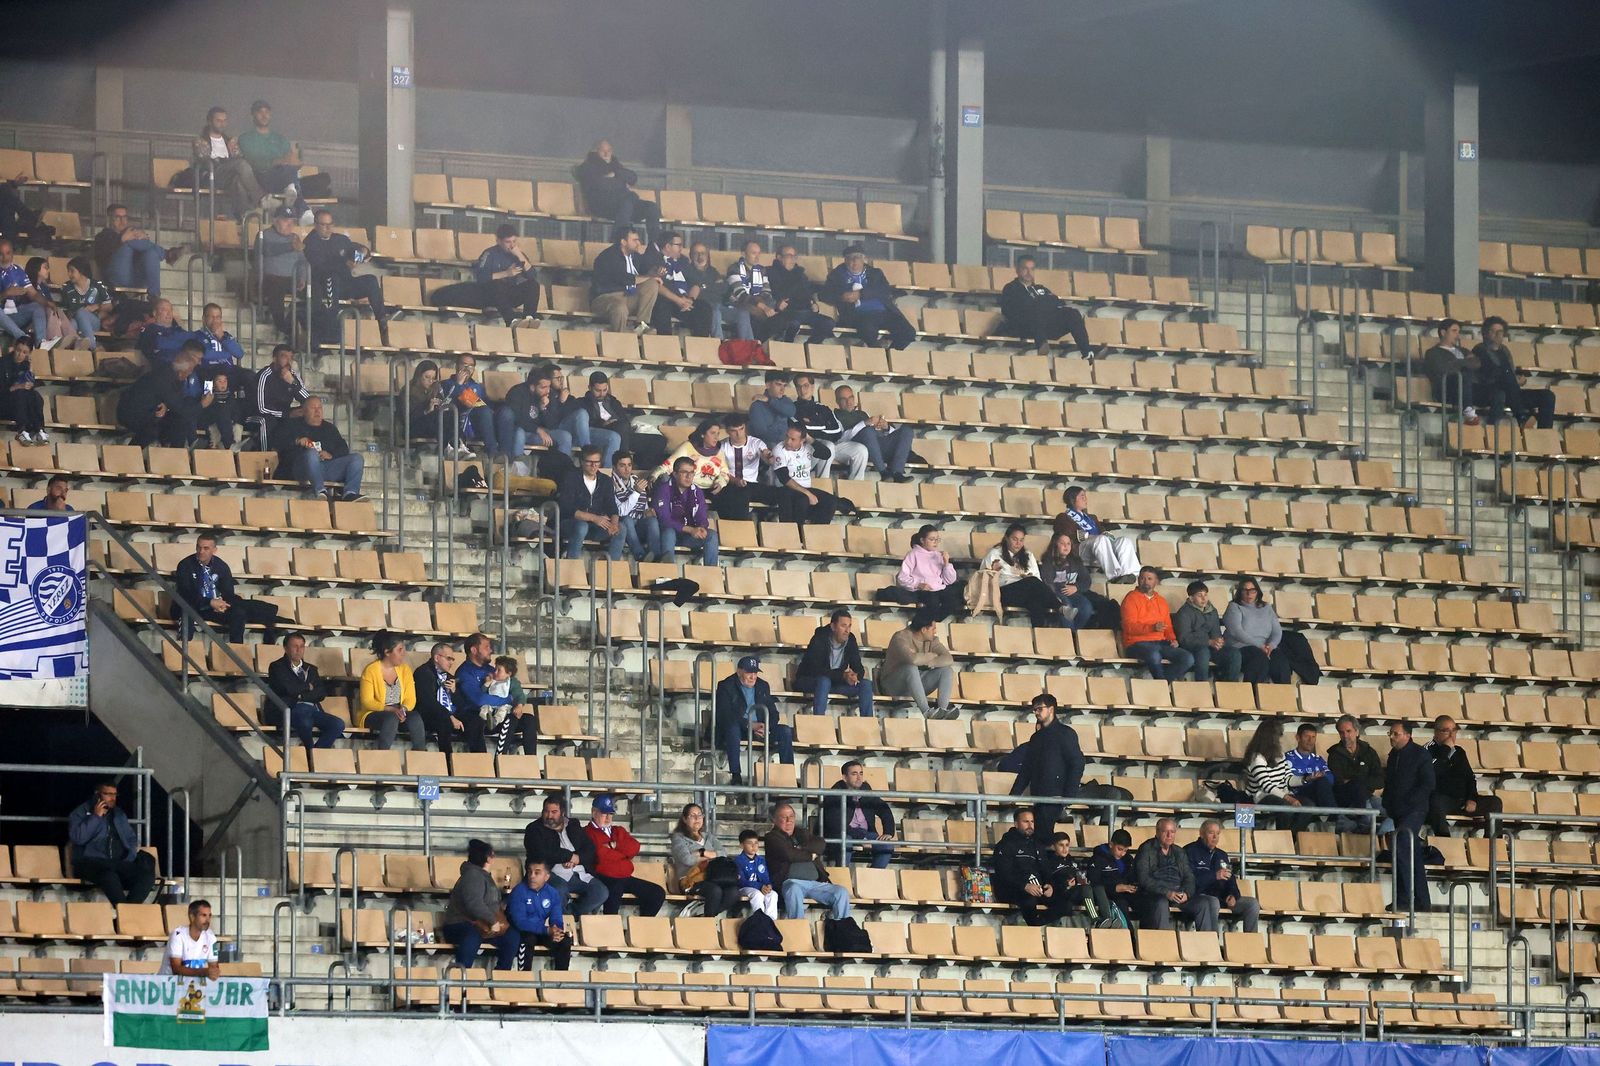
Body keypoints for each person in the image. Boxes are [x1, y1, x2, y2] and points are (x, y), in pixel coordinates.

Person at [172, 532, 279, 644]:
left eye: (206, 548)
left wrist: (222, 604)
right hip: (192, 605)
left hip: (213, 609)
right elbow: (186, 594)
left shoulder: (221, 566)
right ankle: (183, 650)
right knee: (187, 610)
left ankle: (236, 650)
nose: (201, 551)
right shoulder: (185, 565)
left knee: (238, 613)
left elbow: (228, 594)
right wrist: (210, 602)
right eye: (198, 547)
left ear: (214, 550)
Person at [303, 209, 389, 347]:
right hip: (324, 284)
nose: (328, 228)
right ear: (316, 225)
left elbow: (357, 250)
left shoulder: (340, 240)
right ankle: (331, 328)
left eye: (330, 224)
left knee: (371, 280)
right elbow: (319, 266)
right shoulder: (310, 243)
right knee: (332, 279)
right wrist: (344, 263)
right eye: (324, 225)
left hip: (346, 282)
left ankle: (382, 320)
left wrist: (361, 254)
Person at [69, 781, 157, 905]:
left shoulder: (119, 814)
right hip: (88, 862)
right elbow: (78, 838)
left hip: (116, 863)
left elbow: (131, 839)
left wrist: (130, 857)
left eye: (115, 794)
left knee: (146, 876)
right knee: (109, 876)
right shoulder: (81, 812)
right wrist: (96, 817)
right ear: (97, 794)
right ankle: (126, 914)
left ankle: (126, 912)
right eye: (108, 794)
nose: (112, 798)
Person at [1008, 692, 1085, 833]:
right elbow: (1027, 768)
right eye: (1034, 710)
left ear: (1051, 709)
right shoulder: (1036, 738)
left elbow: (1077, 763)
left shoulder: (1065, 733)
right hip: (1039, 796)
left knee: (1042, 836)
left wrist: (1068, 796)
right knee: (1040, 836)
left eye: (1039, 709)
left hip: (1055, 796)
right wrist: (1014, 794)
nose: (1036, 712)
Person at [998, 255, 1100, 359]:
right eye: (1025, 269)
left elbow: (1058, 303)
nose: (1029, 272)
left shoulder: (1041, 288)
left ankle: (1087, 352)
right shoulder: (1011, 288)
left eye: (1032, 269)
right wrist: (1040, 302)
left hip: (1045, 326)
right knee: (1035, 306)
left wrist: (1042, 302)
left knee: (1072, 313)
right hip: (1022, 328)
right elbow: (1011, 312)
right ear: (1017, 270)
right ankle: (1041, 343)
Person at [715, 655, 794, 787]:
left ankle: (788, 775)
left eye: (755, 673)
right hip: (739, 728)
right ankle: (736, 775)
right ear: (739, 671)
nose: (753, 677)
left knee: (785, 731)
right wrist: (749, 725)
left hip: (760, 728)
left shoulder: (763, 686)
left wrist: (766, 726)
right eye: (749, 673)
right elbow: (725, 715)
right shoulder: (726, 686)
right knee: (732, 728)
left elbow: (773, 712)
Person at [523, 794, 609, 915]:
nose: (549, 816)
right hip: (549, 873)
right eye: (546, 811)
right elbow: (541, 852)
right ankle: (559, 923)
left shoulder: (573, 825)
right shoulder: (534, 829)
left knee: (601, 891)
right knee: (559, 889)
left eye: (554, 812)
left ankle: (570, 916)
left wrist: (577, 858)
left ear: (562, 813)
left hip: (578, 872)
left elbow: (589, 848)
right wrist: (569, 856)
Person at [818, 244, 916, 350]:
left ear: (864, 259)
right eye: (850, 258)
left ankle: (890, 355)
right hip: (858, 314)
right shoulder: (837, 275)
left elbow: (884, 290)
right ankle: (879, 355)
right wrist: (842, 297)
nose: (854, 261)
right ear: (845, 260)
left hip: (884, 312)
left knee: (908, 333)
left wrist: (861, 294)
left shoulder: (875, 273)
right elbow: (824, 295)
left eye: (858, 257)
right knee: (868, 331)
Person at [441, 839, 518, 970]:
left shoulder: (483, 876)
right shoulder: (473, 875)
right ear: (488, 858)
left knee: (511, 936)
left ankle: (501, 975)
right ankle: (461, 976)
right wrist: (493, 921)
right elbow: (474, 904)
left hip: (483, 924)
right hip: (459, 924)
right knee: (472, 936)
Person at [584, 795, 666, 917]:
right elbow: (600, 856)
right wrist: (622, 853)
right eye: (604, 814)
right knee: (614, 894)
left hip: (624, 876)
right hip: (604, 877)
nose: (608, 818)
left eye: (610, 814)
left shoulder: (618, 830)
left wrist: (612, 846)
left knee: (657, 893)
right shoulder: (586, 832)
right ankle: (612, 931)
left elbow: (635, 847)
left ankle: (639, 928)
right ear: (594, 812)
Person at [765, 802, 850, 919]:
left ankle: (842, 928)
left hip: (816, 883)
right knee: (793, 889)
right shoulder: (772, 837)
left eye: (791, 816)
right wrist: (810, 855)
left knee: (841, 892)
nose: (789, 820)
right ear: (774, 820)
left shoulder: (802, 833)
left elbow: (820, 844)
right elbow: (789, 855)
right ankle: (798, 929)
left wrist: (800, 848)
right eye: (784, 817)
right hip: (790, 882)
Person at [273, 396, 365, 502]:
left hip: (325, 467)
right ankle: (320, 491)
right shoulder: (292, 424)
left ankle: (350, 493)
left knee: (357, 458)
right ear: (304, 411)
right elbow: (277, 443)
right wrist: (297, 441)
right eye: (313, 408)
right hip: (301, 467)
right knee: (312, 454)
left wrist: (331, 455)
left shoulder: (330, 428)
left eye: (319, 408)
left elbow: (343, 448)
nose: (317, 411)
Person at [1385, 720, 1435, 910]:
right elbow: (1389, 783)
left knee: (1402, 846)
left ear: (1407, 735)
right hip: (1399, 810)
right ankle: (1422, 900)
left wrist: (1411, 802)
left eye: (1395, 734)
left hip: (1414, 810)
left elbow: (1428, 783)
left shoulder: (1420, 754)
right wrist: (1388, 803)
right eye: (1390, 733)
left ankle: (1405, 898)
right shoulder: (1393, 756)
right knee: (1410, 853)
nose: (1392, 737)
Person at [1134, 818, 1219, 931]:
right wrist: (1167, 893)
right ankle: (1166, 944)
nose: (1169, 835)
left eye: (1172, 832)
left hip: (1178, 894)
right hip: (1155, 895)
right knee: (1161, 903)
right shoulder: (1146, 849)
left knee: (1204, 903)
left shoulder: (1179, 852)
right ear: (1158, 832)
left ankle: (1207, 944)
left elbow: (1189, 877)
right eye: (1165, 831)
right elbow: (1143, 879)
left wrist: (1186, 893)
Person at [266, 633, 347, 751]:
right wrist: (307, 687)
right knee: (305, 721)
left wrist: (300, 695)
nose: (298, 650)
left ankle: (316, 753)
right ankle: (309, 752)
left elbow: (321, 693)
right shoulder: (277, 667)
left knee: (338, 724)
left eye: (302, 646)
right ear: (285, 648)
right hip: (288, 709)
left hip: (311, 709)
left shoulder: (311, 669)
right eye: (294, 646)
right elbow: (286, 688)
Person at [1474, 315, 1554, 429]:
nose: (1497, 335)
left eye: (1500, 332)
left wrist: (1517, 379)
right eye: (1493, 331)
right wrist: (1512, 379)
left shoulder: (1505, 351)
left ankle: (1544, 432)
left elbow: (1509, 372)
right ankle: (1521, 416)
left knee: (1547, 396)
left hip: (1512, 393)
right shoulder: (1479, 349)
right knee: (1506, 377)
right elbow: (1489, 375)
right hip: (1492, 392)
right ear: (1485, 333)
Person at [1427, 715, 1502, 836]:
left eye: (1454, 730)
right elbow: (1431, 773)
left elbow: (1470, 778)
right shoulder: (1427, 750)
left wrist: (1471, 798)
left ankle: (1493, 844)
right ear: (1436, 732)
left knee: (1495, 802)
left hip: (1463, 800)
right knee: (1434, 801)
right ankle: (1444, 841)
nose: (1451, 735)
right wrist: (1446, 749)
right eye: (1446, 731)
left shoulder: (1459, 752)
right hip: (1443, 799)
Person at [983, 523, 1067, 627]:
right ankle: (1059, 606)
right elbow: (985, 577)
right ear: (1006, 538)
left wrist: (1025, 577)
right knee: (1031, 582)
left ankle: (1037, 634)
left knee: (1036, 600)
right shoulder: (995, 554)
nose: (1018, 543)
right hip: (1002, 592)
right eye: (1015, 539)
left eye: (1021, 540)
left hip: (1025, 592)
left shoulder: (1028, 555)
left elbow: (1037, 578)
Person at [236, 100, 310, 219]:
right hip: (261, 178)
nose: (264, 115)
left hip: (282, 176)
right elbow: (254, 163)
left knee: (295, 172)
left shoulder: (280, 139)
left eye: (267, 112)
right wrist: (278, 161)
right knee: (288, 173)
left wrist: (295, 162)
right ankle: (301, 206)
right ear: (253, 115)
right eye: (260, 112)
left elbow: (292, 161)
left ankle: (291, 191)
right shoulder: (245, 138)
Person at [575, 140, 660, 243]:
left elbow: (633, 177)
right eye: (603, 151)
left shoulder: (616, 166)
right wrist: (620, 181)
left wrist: (615, 174)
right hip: (602, 205)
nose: (606, 154)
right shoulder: (588, 167)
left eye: (609, 151)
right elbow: (600, 185)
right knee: (628, 200)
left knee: (651, 207)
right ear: (595, 151)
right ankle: (617, 240)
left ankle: (655, 245)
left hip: (623, 205)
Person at [796, 608, 875, 717]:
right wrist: (842, 675)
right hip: (809, 680)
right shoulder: (819, 639)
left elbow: (858, 666)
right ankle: (819, 720)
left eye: (849, 626)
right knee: (824, 681)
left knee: (866, 684)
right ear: (833, 626)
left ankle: (868, 723)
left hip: (835, 683)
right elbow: (815, 670)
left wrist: (855, 676)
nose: (847, 630)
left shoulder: (851, 640)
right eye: (843, 626)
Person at [1184, 820, 1261, 932]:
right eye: (1211, 833)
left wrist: (1233, 895)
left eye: (1218, 833)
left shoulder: (1222, 854)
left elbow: (1231, 880)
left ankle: (1251, 943)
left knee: (1252, 904)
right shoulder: (1189, 851)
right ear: (1201, 834)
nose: (1215, 837)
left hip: (1222, 898)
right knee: (1212, 902)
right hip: (1198, 897)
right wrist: (1214, 876)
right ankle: (1213, 941)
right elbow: (1189, 881)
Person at [93, 204, 182, 300]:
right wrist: (122, 239)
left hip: (136, 277)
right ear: (109, 219)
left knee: (151, 253)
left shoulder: (133, 234)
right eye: (118, 217)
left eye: (125, 217)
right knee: (127, 243)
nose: (122, 221)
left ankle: (154, 296)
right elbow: (101, 257)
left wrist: (140, 237)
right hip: (116, 277)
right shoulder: (102, 236)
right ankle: (166, 254)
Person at [1121, 567, 1195, 680]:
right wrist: (1152, 628)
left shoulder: (1161, 601)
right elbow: (1129, 627)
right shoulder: (1131, 599)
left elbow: (1168, 626)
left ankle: (1162, 683)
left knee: (1188, 658)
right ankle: (1162, 685)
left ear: (1156, 581)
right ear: (1138, 580)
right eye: (1142, 578)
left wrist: (1173, 639)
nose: (1145, 582)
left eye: (1149, 579)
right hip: (1136, 643)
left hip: (1160, 642)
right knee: (1154, 655)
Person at [715, 413, 790, 522]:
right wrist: (735, 481)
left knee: (784, 493)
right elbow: (719, 470)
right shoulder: (721, 446)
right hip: (730, 485)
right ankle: (743, 530)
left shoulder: (756, 443)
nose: (739, 434)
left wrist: (768, 458)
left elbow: (767, 457)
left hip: (751, 486)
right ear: (727, 431)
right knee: (740, 494)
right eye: (733, 431)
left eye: (741, 429)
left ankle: (787, 528)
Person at [879, 610, 955, 719]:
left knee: (946, 670)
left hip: (916, 684)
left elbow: (948, 659)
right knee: (910, 668)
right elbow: (912, 660)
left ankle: (942, 711)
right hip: (893, 685)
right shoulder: (901, 638)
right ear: (924, 630)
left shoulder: (932, 640)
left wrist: (931, 662)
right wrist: (930, 655)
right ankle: (926, 712)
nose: (935, 631)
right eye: (933, 628)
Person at [768, 424, 847, 526]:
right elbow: (784, 478)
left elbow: (826, 454)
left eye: (793, 439)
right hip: (785, 489)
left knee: (831, 501)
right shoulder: (779, 449)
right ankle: (798, 533)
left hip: (805, 488)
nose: (788, 441)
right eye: (787, 436)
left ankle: (816, 533)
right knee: (803, 499)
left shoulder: (808, 447)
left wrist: (810, 439)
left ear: (802, 440)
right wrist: (808, 494)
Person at [1038, 531, 1119, 632]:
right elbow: (1047, 583)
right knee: (1067, 608)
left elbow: (1086, 580)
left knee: (1086, 607)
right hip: (1057, 593)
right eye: (1062, 543)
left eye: (1068, 544)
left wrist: (1076, 587)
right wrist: (1057, 593)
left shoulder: (1075, 561)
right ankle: (1070, 636)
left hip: (1074, 592)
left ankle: (1074, 634)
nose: (1066, 546)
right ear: (1055, 545)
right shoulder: (1049, 562)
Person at [191, 106, 264, 216]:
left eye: (225, 121)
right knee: (241, 165)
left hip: (229, 177)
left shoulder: (229, 141)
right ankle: (261, 199)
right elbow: (203, 159)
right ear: (210, 122)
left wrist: (233, 150)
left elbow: (239, 157)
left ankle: (243, 216)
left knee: (239, 182)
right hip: (212, 175)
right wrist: (227, 160)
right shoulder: (200, 140)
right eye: (218, 121)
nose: (222, 124)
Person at [357, 632, 425, 750]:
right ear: (387, 652)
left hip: (399, 711)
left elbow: (410, 698)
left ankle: (420, 753)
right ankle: (383, 753)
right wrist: (391, 709)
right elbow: (367, 701)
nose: (404, 654)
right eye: (399, 650)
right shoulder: (371, 670)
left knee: (414, 717)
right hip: (375, 712)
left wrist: (403, 709)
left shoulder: (405, 670)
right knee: (390, 718)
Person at [1055, 487, 1141, 580]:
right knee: (1101, 539)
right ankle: (1115, 575)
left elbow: (1102, 532)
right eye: (1082, 497)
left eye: (1085, 497)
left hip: (1100, 547)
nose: (1085, 499)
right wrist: (1090, 536)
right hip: (1080, 549)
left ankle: (1130, 574)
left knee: (1124, 540)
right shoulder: (1063, 516)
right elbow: (1066, 535)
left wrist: (1107, 535)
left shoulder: (1092, 517)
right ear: (1072, 499)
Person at [822, 760, 896, 868]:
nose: (859, 777)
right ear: (844, 777)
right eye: (854, 774)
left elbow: (884, 809)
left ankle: (873, 876)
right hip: (844, 834)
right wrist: (861, 838)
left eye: (861, 773)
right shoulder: (834, 794)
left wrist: (888, 832)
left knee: (886, 846)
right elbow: (836, 825)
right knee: (845, 842)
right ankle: (843, 877)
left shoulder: (866, 791)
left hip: (866, 833)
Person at [834, 384, 915, 482]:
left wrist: (886, 427)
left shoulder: (863, 414)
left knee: (907, 430)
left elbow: (882, 432)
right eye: (844, 399)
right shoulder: (834, 416)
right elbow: (842, 438)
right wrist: (864, 423)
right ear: (837, 401)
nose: (848, 402)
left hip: (878, 444)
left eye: (851, 398)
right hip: (862, 449)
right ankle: (883, 473)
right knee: (868, 431)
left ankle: (897, 472)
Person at [415, 641, 483, 756]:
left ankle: (480, 759)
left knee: (475, 720)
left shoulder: (451, 677)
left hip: (451, 714)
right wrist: (450, 716)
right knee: (444, 721)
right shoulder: (423, 673)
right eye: (448, 658)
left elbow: (461, 704)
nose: (451, 662)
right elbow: (428, 702)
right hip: (431, 715)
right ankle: (448, 762)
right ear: (437, 658)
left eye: (452, 659)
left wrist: (454, 692)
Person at [1327, 715, 1391, 835]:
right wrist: (1362, 782)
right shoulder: (1334, 754)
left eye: (1348, 731)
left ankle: (1381, 835)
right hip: (1347, 799)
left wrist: (1359, 782)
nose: (1345, 736)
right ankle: (1368, 834)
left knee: (1394, 814)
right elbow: (1339, 782)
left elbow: (1380, 780)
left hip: (1369, 795)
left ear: (1357, 732)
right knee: (1367, 811)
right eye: (1341, 732)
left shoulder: (1369, 752)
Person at [1242, 719, 1311, 830]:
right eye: (1278, 737)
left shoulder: (1280, 755)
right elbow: (1266, 786)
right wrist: (1289, 798)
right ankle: (1283, 836)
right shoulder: (1256, 758)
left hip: (1283, 794)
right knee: (1286, 808)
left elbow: (1288, 778)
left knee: (1308, 805)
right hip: (1262, 796)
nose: (1280, 740)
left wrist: (1305, 779)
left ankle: (1293, 838)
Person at [118, 349, 197, 447]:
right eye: (189, 372)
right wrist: (203, 404)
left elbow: (171, 400)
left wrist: (166, 404)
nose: (189, 374)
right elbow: (180, 407)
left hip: (150, 411)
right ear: (181, 372)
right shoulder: (164, 378)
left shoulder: (170, 373)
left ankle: (175, 455)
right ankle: (131, 453)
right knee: (151, 430)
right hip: (131, 412)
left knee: (179, 422)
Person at [1220, 578, 1292, 684]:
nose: (1249, 594)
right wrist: (1260, 646)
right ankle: (1253, 695)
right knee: (1259, 659)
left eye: (1252, 590)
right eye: (1245, 590)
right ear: (1240, 592)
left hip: (1265, 648)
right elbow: (1236, 631)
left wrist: (1271, 646)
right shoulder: (1234, 607)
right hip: (1241, 647)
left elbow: (1277, 631)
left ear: (1257, 592)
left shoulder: (1267, 608)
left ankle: (1283, 697)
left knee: (1281, 662)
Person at [791, 374, 863, 478]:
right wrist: (823, 426)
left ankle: (856, 488)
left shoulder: (823, 408)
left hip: (830, 444)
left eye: (806, 385)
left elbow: (837, 431)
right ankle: (823, 483)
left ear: (812, 386)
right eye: (799, 386)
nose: (802, 390)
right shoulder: (792, 408)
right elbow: (801, 430)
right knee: (828, 445)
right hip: (806, 446)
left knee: (860, 450)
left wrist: (813, 427)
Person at [589, 226, 659, 333]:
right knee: (620, 307)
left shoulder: (635, 256)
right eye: (635, 240)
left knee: (652, 284)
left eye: (638, 240)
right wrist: (649, 276)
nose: (639, 243)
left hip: (627, 296)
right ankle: (620, 338)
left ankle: (641, 325)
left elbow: (648, 266)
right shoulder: (609, 256)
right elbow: (626, 279)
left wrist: (657, 271)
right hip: (605, 298)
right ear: (623, 242)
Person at [992, 808, 1056, 925]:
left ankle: (1042, 923)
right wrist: (1025, 886)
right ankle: (1035, 926)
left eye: (1032, 822)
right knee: (1029, 900)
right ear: (1016, 824)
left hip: (1038, 889)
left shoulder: (1037, 844)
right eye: (1025, 822)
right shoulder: (1005, 844)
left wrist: (1049, 885)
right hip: (1013, 889)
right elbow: (1003, 874)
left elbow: (1046, 869)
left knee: (1064, 899)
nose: (1030, 825)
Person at [559, 446, 625, 559]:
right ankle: (572, 563)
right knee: (581, 526)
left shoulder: (606, 480)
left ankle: (611, 568)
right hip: (571, 523)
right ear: (581, 462)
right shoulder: (571, 478)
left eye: (597, 462)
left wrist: (613, 524)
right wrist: (594, 518)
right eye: (590, 462)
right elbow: (567, 508)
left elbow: (612, 507)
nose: (594, 465)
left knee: (621, 528)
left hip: (595, 526)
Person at [671, 803, 735, 917]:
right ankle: (708, 923)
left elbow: (724, 854)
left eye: (699, 815)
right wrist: (712, 856)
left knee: (733, 892)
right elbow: (687, 859)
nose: (697, 818)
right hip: (690, 880)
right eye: (692, 815)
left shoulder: (708, 836)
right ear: (685, 819)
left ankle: (704, 916)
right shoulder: (678, 838)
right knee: (715, 891)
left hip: (713, 876)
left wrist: (702, 852)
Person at [496, 366, 570, 465]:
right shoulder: (517, 392)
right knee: (519, 433)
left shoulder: (549, 394)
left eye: (549, 386)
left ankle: (564, 469)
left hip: (541, 434)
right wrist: (538, 430)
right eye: (543, 387)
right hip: (520, 431)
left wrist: (544, 408)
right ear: (532, 387)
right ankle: (517, 469)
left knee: (565, 436)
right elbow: (517, 420)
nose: (547, 390)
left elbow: (553, 425)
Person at [507, 859, 572, 971]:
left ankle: (560, 982)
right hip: (522, 931)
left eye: (537, 873)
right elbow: (520, 922)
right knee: (528, 939)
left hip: (541, 931)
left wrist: (557, 930)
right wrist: (547, 930)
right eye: (530, 872)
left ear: (546, 877)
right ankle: (525, 980)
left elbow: (556, 917)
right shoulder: (519, 891)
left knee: (564, 940)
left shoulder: (552, 893)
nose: (532, 876)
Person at [653, 455, 719, 564]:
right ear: (674, 474)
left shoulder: (696, 491)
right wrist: (690, 530)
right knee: (669, 532)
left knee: (711, 535)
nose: (689, 476)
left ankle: (711, 573)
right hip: (668, 533)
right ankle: (666, 573)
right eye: (684, 472)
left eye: (692, 472)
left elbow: (702, 515)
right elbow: (664, 520)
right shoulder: (664, 489)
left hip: (688, 536)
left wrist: (701, 528)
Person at [471, 224, 541, 326]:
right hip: (490, 296)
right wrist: (506, 273)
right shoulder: (489, 254)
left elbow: (532, 275)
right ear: (499, 241)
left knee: (533, 285)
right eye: (508, 242)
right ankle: (511, 320)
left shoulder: (518, 255)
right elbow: (481, 278)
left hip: (508, 294)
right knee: (496, 285)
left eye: (514, 241)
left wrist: (520, 255)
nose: (512, 245)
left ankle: (529, 318)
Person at [454, 632, 513, 748]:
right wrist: (506, 699)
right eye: (486, 647)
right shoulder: (464, 672)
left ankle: (504, 759)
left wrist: (511, 700)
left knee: (527, 720)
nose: (490, 650)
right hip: (473, 714)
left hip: (494, 714)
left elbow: (509, 689)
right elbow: (479, 700)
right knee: (477, 722)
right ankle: (481, 764)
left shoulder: (492, 670)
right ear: (474, 650)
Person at [765, 245, 835, 342]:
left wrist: (814, 304)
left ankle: (810, 346)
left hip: (805, 312)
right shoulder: (770, 272)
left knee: (829, 323)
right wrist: (777, 304)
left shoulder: (800, 274)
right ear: (779, 257)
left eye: (794, 256)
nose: (793, 260)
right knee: (793, 324)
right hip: (785, 313)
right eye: (789, 256)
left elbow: (808, 293)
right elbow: (766, 294)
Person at [894, 525, 966, 621]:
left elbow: (949, 581)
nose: (935, 542)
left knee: (954, 600)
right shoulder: (913, 554)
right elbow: (902, 577)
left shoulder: (938, 555)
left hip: (938, 589)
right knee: (933, 602)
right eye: (932, 539)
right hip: (923, 590)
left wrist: (946, 564)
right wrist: (918, 584)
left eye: (937, 539)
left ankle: (934, 621)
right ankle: (925, 623)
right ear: (922, 540)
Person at [1173, 580, 1240, 682]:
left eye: (1205, 595)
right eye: (1199, 595)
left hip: (1211, 647)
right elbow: (1184, 638)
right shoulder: (1184, 613)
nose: (1204, 598)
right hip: (1193, 647)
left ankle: (1229, 686)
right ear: (1191, 598)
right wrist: (1208, 642)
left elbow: (1216, 633)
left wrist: (1218, 641)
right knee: (1203, 653)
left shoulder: (1212, 611)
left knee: (1234, 653)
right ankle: (1202, 686)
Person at [247, 344, 309, 450]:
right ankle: (265, 457)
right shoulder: (265, 375)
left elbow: (309, 401)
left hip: (283, 414)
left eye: (291, 358)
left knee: (307, 414)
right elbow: (261, 408)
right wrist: (287, 414)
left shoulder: (293, 376)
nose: (288, 361)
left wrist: (293, 383)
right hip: (255, 415)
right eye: (284, 356)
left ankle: (298, 455)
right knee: (266, 421)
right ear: (275, 358)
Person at [650, 233, 712, 335]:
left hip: (684, 300)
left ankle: (700, 343)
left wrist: (690, 300)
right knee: (662, 306)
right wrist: (678, 300)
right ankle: (666, 344)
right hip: (667, 299)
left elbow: (695, 283)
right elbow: (656, 284)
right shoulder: (655, 260)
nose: (681, 248)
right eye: (678, 245)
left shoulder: (683, 261)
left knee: (704, 308)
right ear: (668, 246)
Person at [258, 207, 306, 338]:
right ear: (275, 221)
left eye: (292, 221)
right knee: (275, 289)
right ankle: (282, 326)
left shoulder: (295, 237)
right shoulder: (264, 235)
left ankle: (302, 324)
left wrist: (302, 277)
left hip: (293, 279)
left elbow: (302, 261)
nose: (290, 224)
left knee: (314, 292)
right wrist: (290, 246)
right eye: (285, 220)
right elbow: (266, 250)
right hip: (273, 277)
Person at [1422, 318, 1480, 425]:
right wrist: (1465, 363)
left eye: (1458, 331)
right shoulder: (1433, 353)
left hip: (1469, 388)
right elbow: (1443, 369)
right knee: (1463, 375)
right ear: (1443, 332)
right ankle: (1468, 411)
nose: (1457, 335)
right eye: (1454, 331)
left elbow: (1476, 363)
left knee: (1497, 393)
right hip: (1447, 390)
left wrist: (1457, 363)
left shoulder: (1463, 350)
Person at [724, 240, 780, 342]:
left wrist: (765, 306)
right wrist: (762, 306)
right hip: (740, 305)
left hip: (759, 306)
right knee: (757, 316)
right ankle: (750, 345)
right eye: (753, 253)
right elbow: (740, 294)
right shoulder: (734, 268)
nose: (757, 257)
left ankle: (757, 343)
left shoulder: (762, 270)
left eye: (759, 253)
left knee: (776, 317)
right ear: (743, 254)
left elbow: (767, 293)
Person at [610, 451, 661, 561]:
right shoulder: (610, 483)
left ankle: (656, 557)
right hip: (623, 524)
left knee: (652, 521)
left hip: (639, 521)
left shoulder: (635, 480)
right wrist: (636, 492)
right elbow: (621, 512)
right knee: (627, 520)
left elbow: (643, 504)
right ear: (614, 468)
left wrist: (648, 511)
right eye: (622, 466)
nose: (627, 469)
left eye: (629, 465)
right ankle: (640, 555)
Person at [484, 656, 538, 756]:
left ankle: (531, 758)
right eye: (495, 668)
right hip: (491, 717)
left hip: (507, 713)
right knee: (511, 719)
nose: (495, 672)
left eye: (499, 670)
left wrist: (519, 706)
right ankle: (500, 756)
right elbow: (482, 694)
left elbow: (520, 695)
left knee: (530, 719)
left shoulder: (512, 683)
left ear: (508, 674)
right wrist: (486, 684)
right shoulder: (490, 681)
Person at [55, 257, 113, 350]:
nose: (69, 274)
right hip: (74, 320)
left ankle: (92, 347)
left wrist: (96, 306)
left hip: (93, 321)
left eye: (72, 271)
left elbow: (109, 306)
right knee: (73, 323)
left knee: (81, 313)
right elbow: (64, 309)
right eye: (68, 271)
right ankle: (76, 349)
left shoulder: (97, 285)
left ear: (81, 271)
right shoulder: (67, 287)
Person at [1085, 828, 1138, 925]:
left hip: (1127, 894)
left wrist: (1133, 887)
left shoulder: (1128, 859)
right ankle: (1129, 935)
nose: (1122, 853)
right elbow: (1094, 883)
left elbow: (1133, 877)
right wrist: (1115, 888)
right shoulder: (1097, 859)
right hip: (1108, 895)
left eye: (1125, 850)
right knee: (1121, 903)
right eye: (1120, 849)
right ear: (1111, 844)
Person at [0, 335, 46, 444]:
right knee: (20, 393)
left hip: (19, 406)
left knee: (36, 396)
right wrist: (16, 387)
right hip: (3, 403)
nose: (20, 355)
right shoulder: (2, 363)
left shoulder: (25, 365)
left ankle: (40, 429)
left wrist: (30, 368)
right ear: (14, 348)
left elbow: (30, 386)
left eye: (25, 352)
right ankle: (22, 430)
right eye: (18, 351)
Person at [1283, 722, 1338, 811]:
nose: (1310, 741)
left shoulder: (1318, 759)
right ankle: (1337, 816)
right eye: (1306, 736)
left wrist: (1318, 778)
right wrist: (1309, 778)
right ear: (1298, 738)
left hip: (1317, 794)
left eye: (1313, 737)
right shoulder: (1287, 758)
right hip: (1296, 794)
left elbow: (1331, 779)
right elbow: (1288, 781)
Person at [0, 238, 47, 342]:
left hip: (14, 316)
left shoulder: (18, 271)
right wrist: (6, 293)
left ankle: (41, 343)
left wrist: (48, 303)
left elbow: (34, 294)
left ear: (12, 254)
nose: (5, 258)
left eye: (8, 253)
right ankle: (23, 339)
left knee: (37, 306)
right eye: (1, 254)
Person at [160, 900, 220, 978]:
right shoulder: (178, 935)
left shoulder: (211, 937)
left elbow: (214, 966)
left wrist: (214, 972)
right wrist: (204, 971)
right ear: (192, 917)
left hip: (193, 986)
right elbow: (176, 969)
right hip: (168, 984)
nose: (208, 920)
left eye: (209, 916)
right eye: (203, 915)